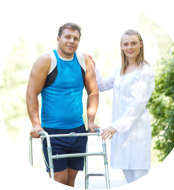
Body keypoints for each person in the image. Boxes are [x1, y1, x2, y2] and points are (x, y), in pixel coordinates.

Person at [26, 23, 99, 187]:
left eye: (75, 38)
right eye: (67, 37)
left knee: (71, 179)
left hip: (78, 131)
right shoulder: (46, 60)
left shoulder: (84, 61)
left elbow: (93, 92)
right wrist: (36, 124)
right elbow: (31, 93)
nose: (71, 41)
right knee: (60, 180)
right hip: (52, 133)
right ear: (58, 39)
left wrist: (91, 120)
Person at [89, 29, 155, 184]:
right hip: (121, 134)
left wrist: (115, 126)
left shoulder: (146, 72)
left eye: (133, 43)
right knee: (129, 179)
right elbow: (103, 85)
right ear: (121, 46)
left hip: (136, 132)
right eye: (126, 44)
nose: (129, 47)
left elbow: (138, 104)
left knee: (138, 175)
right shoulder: (120, 70)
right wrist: (94, 67)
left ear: (140, 45)